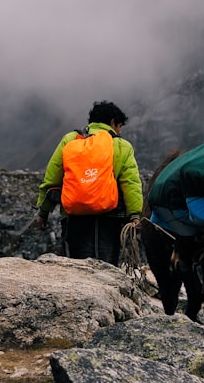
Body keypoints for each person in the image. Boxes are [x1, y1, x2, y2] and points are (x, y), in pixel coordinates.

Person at [31, 100, 144, 265]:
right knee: (107, 268)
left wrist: (43, 212)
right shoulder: (121, 145)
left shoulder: (71, 139)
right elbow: (131, 183)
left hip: (74, 216)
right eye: (119, 127)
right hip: (110, 217)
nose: (119, 132)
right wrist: (134, 215)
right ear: (113, 122)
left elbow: (52, 179)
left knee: (77, 266)